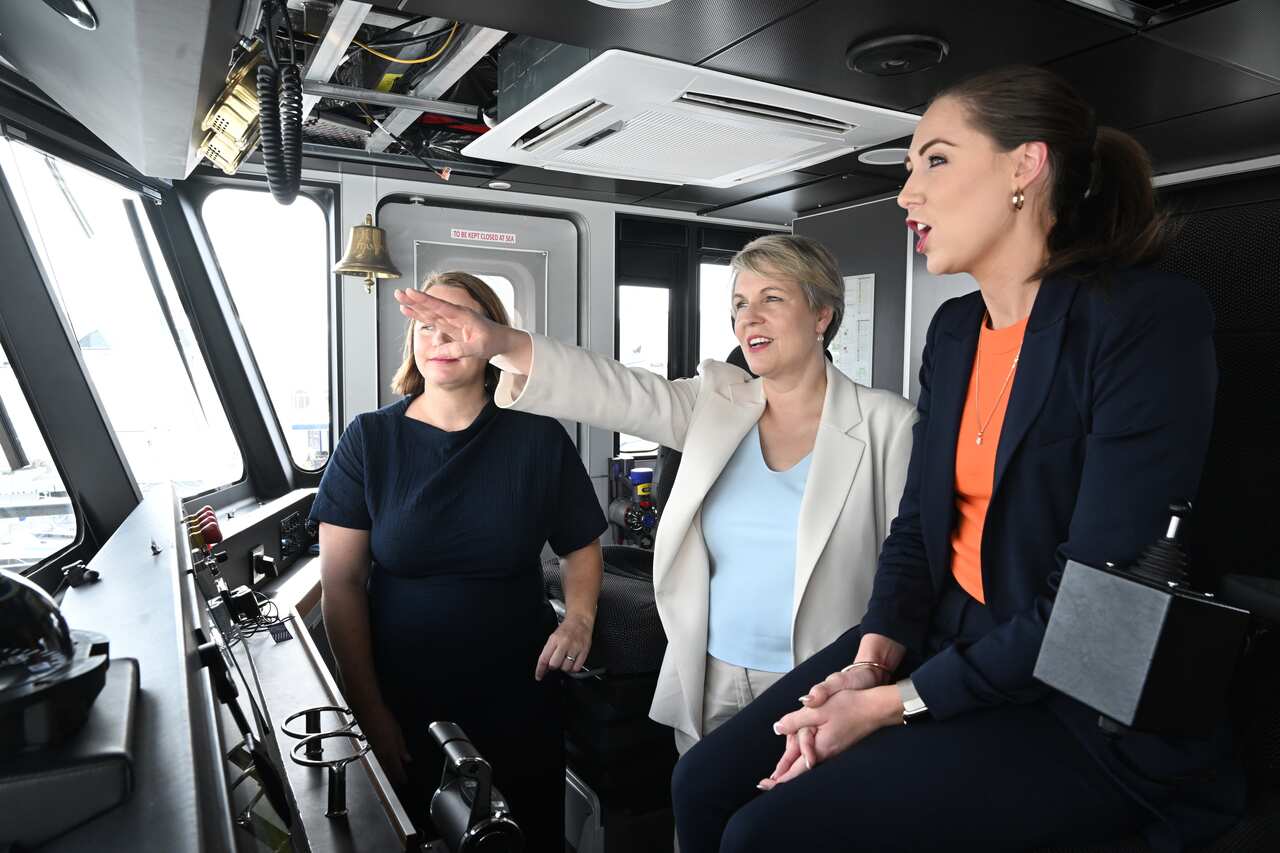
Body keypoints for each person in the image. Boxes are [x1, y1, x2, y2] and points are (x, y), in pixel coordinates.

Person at [667, 65, 1245, 853]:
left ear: (1024, 166)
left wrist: (887, 705)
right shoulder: (954, 332)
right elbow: (916, 527)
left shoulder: (1143, 321)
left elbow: (1097, 607)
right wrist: (873, 658)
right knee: (699, 781)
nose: (907, 193)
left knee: (762, 834)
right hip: (944, 640)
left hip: (1073, 701)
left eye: (934, 160)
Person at [394, 234, 917, 758]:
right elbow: (613, 389)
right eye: (740, 304)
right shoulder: (714, 403)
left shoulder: (888, 425)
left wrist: (877, 673)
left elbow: (913, 569)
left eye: (772, 298)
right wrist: (503, 343)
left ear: (822, 314)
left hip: (824, 685)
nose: (749, 318)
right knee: (700, 804)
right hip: (712, 675)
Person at [311, 271, 606, 851]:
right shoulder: (369, 439)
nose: (441, 337)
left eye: (457, 323)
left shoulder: (539, 439)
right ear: (412, 343)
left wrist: (579, 619)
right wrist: (368, 709)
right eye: (427, 325)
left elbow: (581, 545)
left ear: (491, 338)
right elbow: (340, 583)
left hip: (520, 691)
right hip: (405, 697)